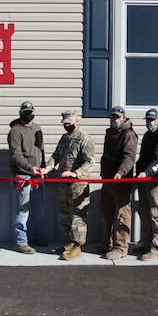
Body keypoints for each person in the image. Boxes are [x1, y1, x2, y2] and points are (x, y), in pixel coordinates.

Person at [42, 110, 96, 261]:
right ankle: (71, 241)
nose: (67, 126)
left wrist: (76, 173)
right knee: (64, 214)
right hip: (63, 185)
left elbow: (90, 162)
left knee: (77, 215)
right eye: (65, 124)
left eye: (69, 124)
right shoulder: (65, 138)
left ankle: (77, 246)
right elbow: (56, 156)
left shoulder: (84, 139)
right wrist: (48, 168)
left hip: (77, 185)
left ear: (76, 122)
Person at [98, 106, 138, 260]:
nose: (114, 120)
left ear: (124, 117)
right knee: (106, 212)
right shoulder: (110, 134)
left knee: (122, 215)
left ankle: (121, 247)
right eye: (112, 117)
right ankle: (106, 243)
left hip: (121, 181)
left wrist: (120, 173)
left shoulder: (128, 134)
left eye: (117, 117)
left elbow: (129, 157)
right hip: (107, 179)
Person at [8, 101, 46, 254]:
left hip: (38, 176)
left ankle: (34, 236)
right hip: (23, 175)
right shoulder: (15, 131)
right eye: (25, 112)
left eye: (30, 111)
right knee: (22, 210)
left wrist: (43, 168)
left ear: (34, 112)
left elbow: (41, 150)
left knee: (39, 209)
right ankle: (21, 241)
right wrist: (30, 168)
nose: (28, 114)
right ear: (20, 113)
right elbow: (15, 155)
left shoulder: (37, 129)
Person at [134, 108, 158, 262]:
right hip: (143, 180)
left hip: (155, 181)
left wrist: (147, 172)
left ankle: (155, 249)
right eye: (148, 120)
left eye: (152, 120)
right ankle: (147, 243)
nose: (150, 123)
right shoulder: (148, 135)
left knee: (154, 214)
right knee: (143, 211)